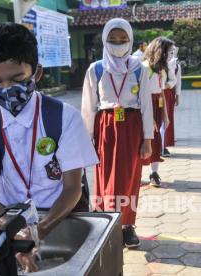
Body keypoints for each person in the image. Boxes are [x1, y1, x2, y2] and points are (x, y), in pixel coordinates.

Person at [0, 23, 98, 272]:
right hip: (5, 215)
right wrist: (9, 227)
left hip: (59, 216)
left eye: (17, 79)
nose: (6, 90)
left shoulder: (64, 117)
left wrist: (37, 232)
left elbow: (72, 186)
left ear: (37, 73)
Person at [81, 18, 154, 248]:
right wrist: (87, 140)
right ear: (105, 40)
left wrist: (148, 140)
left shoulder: (139, 69)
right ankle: (106, 223)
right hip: (105, 127)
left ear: (130, 40)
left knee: (130, 178)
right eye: (113, 39)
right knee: (106, 177)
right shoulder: (96, 69)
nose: (118, 43)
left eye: (123, 39)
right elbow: (88, 108)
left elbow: (146, 105)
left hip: (132, 126)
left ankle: (127, 226)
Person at [142, 37, 173, 187]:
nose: (170, 55)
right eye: (168, 52)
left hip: (157, 105)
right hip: (146, 105)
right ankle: (135, 173)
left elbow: (161, 92)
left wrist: (165, 115)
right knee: (143, 140)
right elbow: (142, 94)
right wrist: (150, 118)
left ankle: (154, 173)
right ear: (160, 51)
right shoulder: (144, 68)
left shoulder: (161, 69)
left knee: (156, 141)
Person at [162, 45, 180, 157]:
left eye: (172, 51)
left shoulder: (172, 64)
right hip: (150, 95)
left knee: (165, 119)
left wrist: (177, 95)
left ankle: (163, 145)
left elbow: (176, 80)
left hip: (165, 93)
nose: (170, 54)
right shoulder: (147, 64)